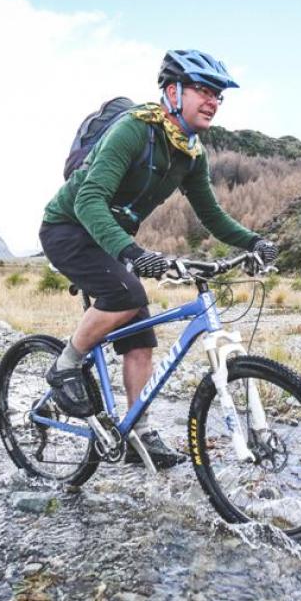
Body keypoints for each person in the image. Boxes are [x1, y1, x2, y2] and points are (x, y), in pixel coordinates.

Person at [38, 49, 278, 469]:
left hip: (109, 240)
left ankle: (137, 432)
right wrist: (133, 253)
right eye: (203, 90)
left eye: (218, 95)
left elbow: (211, 216)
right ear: (172, 91)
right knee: (127, 293)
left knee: (141, 341)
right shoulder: (135, 130)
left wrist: (254, 242)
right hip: (69, 227)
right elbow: (90, 199)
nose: (213, 102)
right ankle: (65, 367)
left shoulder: (190, 152)